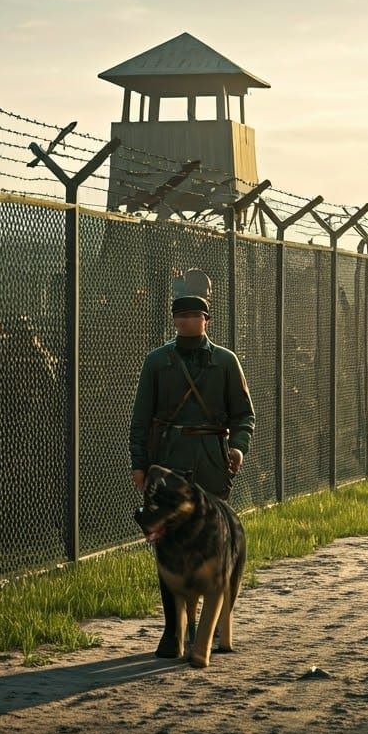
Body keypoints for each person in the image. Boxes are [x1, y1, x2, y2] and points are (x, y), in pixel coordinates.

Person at [129, 269, 255, 658]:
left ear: (206, 320)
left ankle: (207, 625)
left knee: (213, 544)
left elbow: (244, 415)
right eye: (179, 316)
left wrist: (238, 448)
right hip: (168, 466)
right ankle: (173, 630)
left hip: (211, 462)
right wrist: (140, 463)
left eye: (192, 316)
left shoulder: (225, 362)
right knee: (166, 546)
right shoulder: (157, 362)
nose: (185, 321)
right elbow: (140, 418)